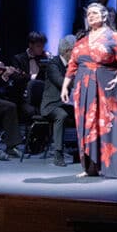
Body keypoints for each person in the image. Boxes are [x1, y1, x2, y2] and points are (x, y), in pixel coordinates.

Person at [60, 2, 117, 178]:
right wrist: (65, 86)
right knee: (86, 125)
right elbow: (72, 65)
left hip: (106, 85)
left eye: (95, 13)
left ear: (104, 16)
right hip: (84, 86)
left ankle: (114, 167)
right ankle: (90, 167)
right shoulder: (81, 41)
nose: (91, 16)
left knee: (108, 125)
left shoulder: (114, 37)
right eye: (88, 14)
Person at [40, 34, 77, 167]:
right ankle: (58, 154)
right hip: (51, 105)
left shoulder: (73, 64)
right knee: (62, 115)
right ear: (67, 51)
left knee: (85, 113)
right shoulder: (53, 64)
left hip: (66, 104)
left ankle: (81, 152)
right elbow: (61, 81)